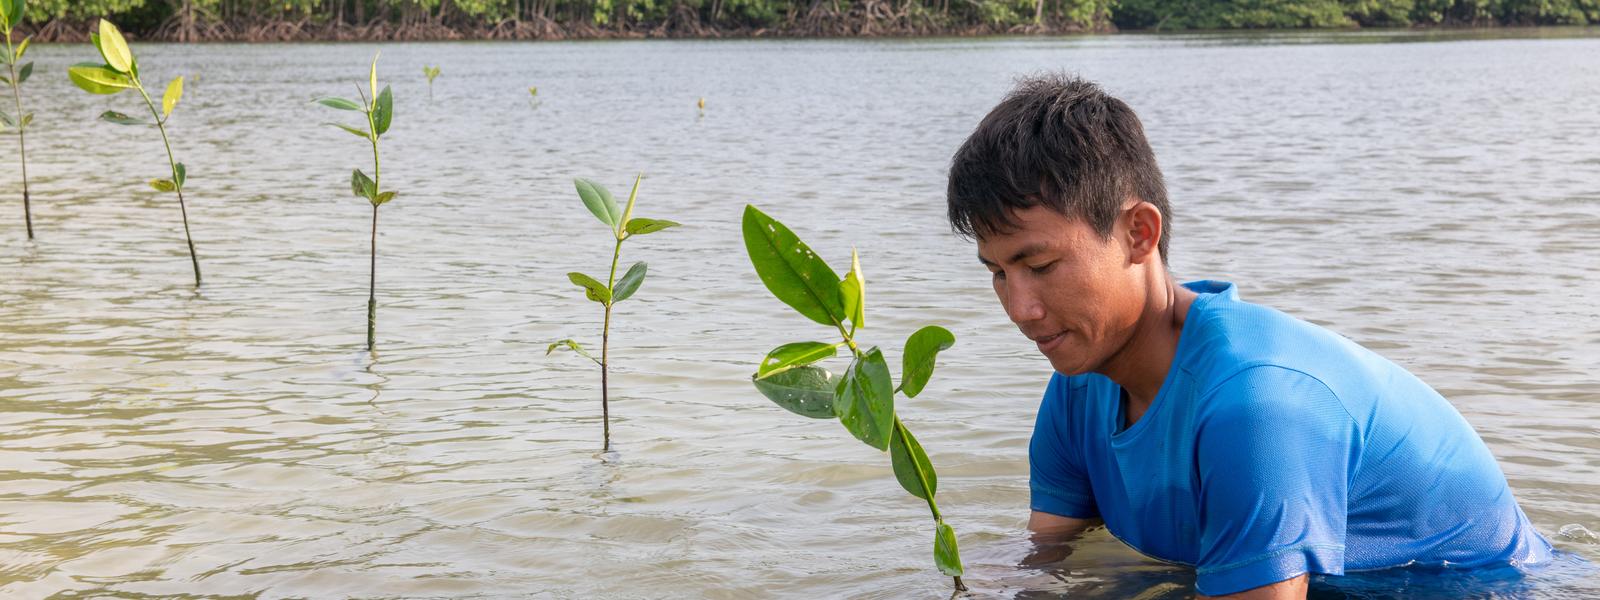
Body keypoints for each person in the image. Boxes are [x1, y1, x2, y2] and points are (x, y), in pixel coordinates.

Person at [945, 74, 1553, 599]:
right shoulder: (1079, 385)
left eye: (1041, 265)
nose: (1020, 309)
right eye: (998, 273)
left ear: (1138, 234)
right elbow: (1044, 562)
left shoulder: (1257, 404)